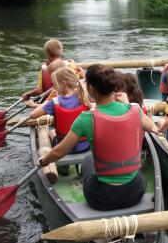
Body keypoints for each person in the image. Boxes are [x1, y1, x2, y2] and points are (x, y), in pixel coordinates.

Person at [38, 64, 158, 210]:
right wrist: (128, 103)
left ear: (90, 89)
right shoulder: (134, 109)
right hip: (135, 192)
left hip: (102, 198)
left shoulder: (86, 119)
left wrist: (43, 162)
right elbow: (152, 127)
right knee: (131, 172)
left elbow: (58, 152)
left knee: (89, 159)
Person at [30, 66, 91, 154]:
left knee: (50, 131)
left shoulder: (55, 101)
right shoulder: (84, 96)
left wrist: (48, 100)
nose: (54, 87)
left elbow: (33, 115)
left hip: (65, 149)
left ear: (63, 84)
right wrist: (84, 76)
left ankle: (63, 167)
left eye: (54, 84)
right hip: (85, 146)